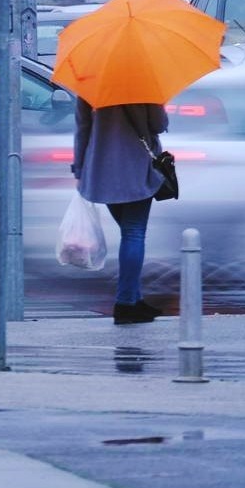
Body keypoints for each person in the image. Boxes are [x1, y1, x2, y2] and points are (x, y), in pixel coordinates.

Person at [72, 99, 168, 324]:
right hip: (137, 168)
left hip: (102, 169)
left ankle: (135, 299)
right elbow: (158, 124)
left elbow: (82, 128)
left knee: (129, 233)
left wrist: (79, 169)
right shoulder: (144, 84)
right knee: (133, 233)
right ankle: (125, 303)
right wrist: (159, 106)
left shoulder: (91, 83)